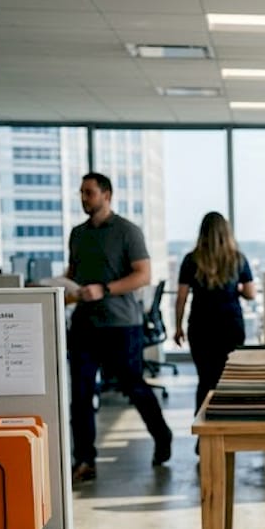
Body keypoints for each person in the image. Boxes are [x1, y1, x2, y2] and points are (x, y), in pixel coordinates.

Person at [65, 172, 172, 483]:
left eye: (89, 193)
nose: (84, 198)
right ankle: (84, 460)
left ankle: (162, 436)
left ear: (106, 195)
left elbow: (143, 275)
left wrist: (106, 289)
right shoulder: (78, 234)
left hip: (121, 325)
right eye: (81, 193)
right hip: (85, 324)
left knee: (134, 386)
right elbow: (74, 272)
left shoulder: (127, 231)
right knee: (81, 394)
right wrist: (62, 291)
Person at [174, 211, 255, 416]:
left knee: (206, 379)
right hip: (231, 326)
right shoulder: (238, 259)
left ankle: (204, 432)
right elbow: (250, 293)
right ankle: (226, 434)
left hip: (201, 326)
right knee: (227, 380)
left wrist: (178, 327)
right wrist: (234, 289)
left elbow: (181, 297)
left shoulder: (191, 260)